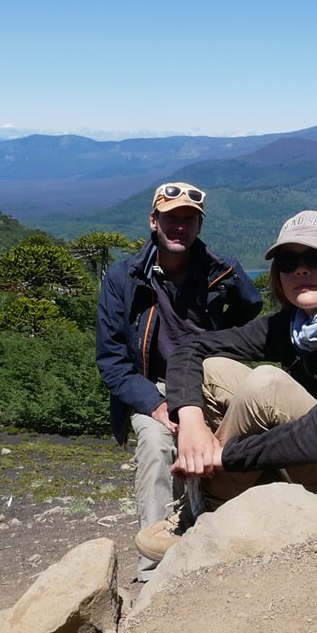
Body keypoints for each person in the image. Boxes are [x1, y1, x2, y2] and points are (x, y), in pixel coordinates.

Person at [138, 210, 317, 557]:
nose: (301, 269)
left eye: (316, 257)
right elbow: (190, 349)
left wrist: (222, 456)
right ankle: (214, 498)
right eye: (288, 260)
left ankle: (206, 508)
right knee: (212, 369)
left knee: (266, 384)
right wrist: (192, 421)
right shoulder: (294, 325)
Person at [96, 182, 262, 580]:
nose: (179, 227)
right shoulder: (123, 279)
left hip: (206, 380)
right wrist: (154, 405)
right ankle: (156, 566)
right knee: (155, 445)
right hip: (150, 386)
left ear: (199, 225)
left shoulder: (218, 271)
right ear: (154, 222)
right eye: (171, 219)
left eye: (189, 220)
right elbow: (112, 360)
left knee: (235, 438)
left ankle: (227, 541)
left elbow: (252, 306)